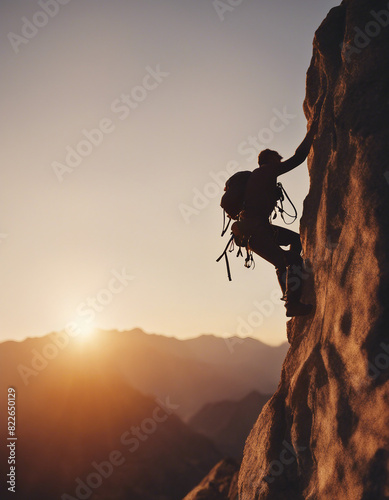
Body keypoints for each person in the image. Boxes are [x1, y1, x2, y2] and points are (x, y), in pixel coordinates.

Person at [231, 119, 318, 317]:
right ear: (269, 161)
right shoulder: (266, 171)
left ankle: (292, 284)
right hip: (256, 230)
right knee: (291, 258)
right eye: (277, 159)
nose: (280, 162)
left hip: (257, 228)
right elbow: (298, 158)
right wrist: (312, 132)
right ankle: (292, 303)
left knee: (294, 241)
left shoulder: (256, 177)